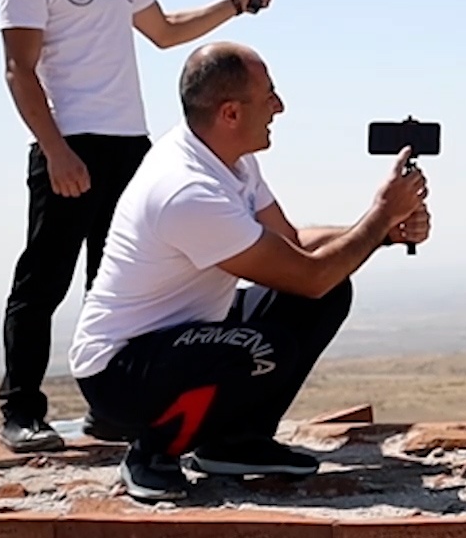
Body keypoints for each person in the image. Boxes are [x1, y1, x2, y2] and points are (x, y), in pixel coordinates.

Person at [0, 0, 277, 452]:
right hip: (69, 144)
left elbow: (167, 31)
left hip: (132, 147)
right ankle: (21, 412)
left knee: (114, 281)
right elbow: (20, 69)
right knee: (42, 283)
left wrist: (236, 3)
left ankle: (112, 413)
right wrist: (57, 151)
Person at [69, 42, 431, 502]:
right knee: (266, 346)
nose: (279, 107)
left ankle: (235, 442)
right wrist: (380, 216)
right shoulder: (186, 190)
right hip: (119, 372)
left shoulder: (232, 160)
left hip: (186, 338)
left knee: (330, 292)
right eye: (269, 96)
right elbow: (308, 274)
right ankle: (152, 454)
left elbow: (293, 247)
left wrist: (384, 233)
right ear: (230, 113)